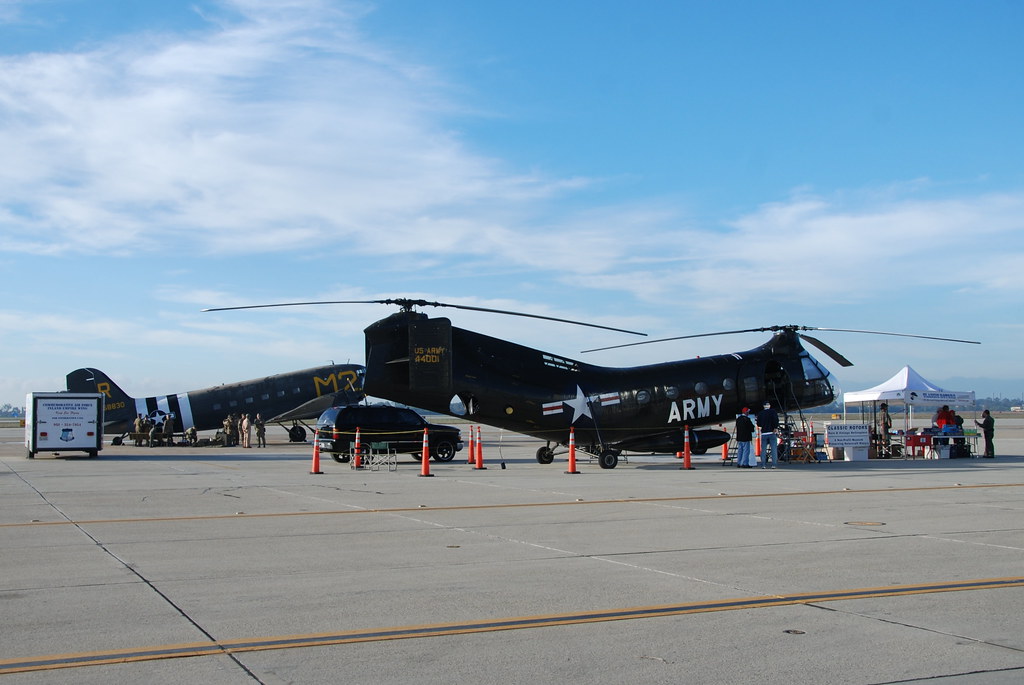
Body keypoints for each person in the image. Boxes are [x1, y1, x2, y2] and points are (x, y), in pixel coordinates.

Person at [756, 401, 780, 469]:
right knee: (773, 449)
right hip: (772, 432)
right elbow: (776, 420)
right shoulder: (773, 411)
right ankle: (774, 465)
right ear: (769, 406)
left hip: (764, 433)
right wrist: (775, 427)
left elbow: (759, 424)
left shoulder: (760, 413)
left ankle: (763, 465)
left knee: (763, 450)